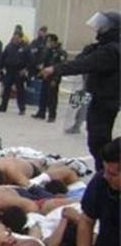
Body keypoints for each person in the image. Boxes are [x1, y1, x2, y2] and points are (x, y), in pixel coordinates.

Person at [42, 11, 120, 171]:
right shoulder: (103, 47)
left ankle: (106, 174)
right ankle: (105, 173)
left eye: (104, 26)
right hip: (100, 97)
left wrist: (56, 69)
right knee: (96, 141)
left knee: (99, 142)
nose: (99, 29)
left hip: (106, 100)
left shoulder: (110, 51)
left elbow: (84, 64)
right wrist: (90, 49)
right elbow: (83, 59)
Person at [32, 34, 67, 122]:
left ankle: (52, 115)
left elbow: (61, 67)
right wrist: (41, 72)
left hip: (54, 78)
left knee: (52, 97)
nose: (48, 43)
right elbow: (45, 63)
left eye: (49, 41)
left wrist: (55, 79)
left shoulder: (61, 53)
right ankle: (41, 113)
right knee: (43, 95)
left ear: (54, 42)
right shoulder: (48, 51)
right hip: (46, 76)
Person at [0, 31, 30, 115]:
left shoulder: (25, 48)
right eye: (14, 38)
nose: (15, 40)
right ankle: (3, 106)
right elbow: (3, 58)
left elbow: (31, 60)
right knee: (6, 89)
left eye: (17, 38)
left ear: (21, 38)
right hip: (9, 71)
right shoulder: (9, 46)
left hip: (19, 72)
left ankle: (22, 108)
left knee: (20, 91)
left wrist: (26, 69)